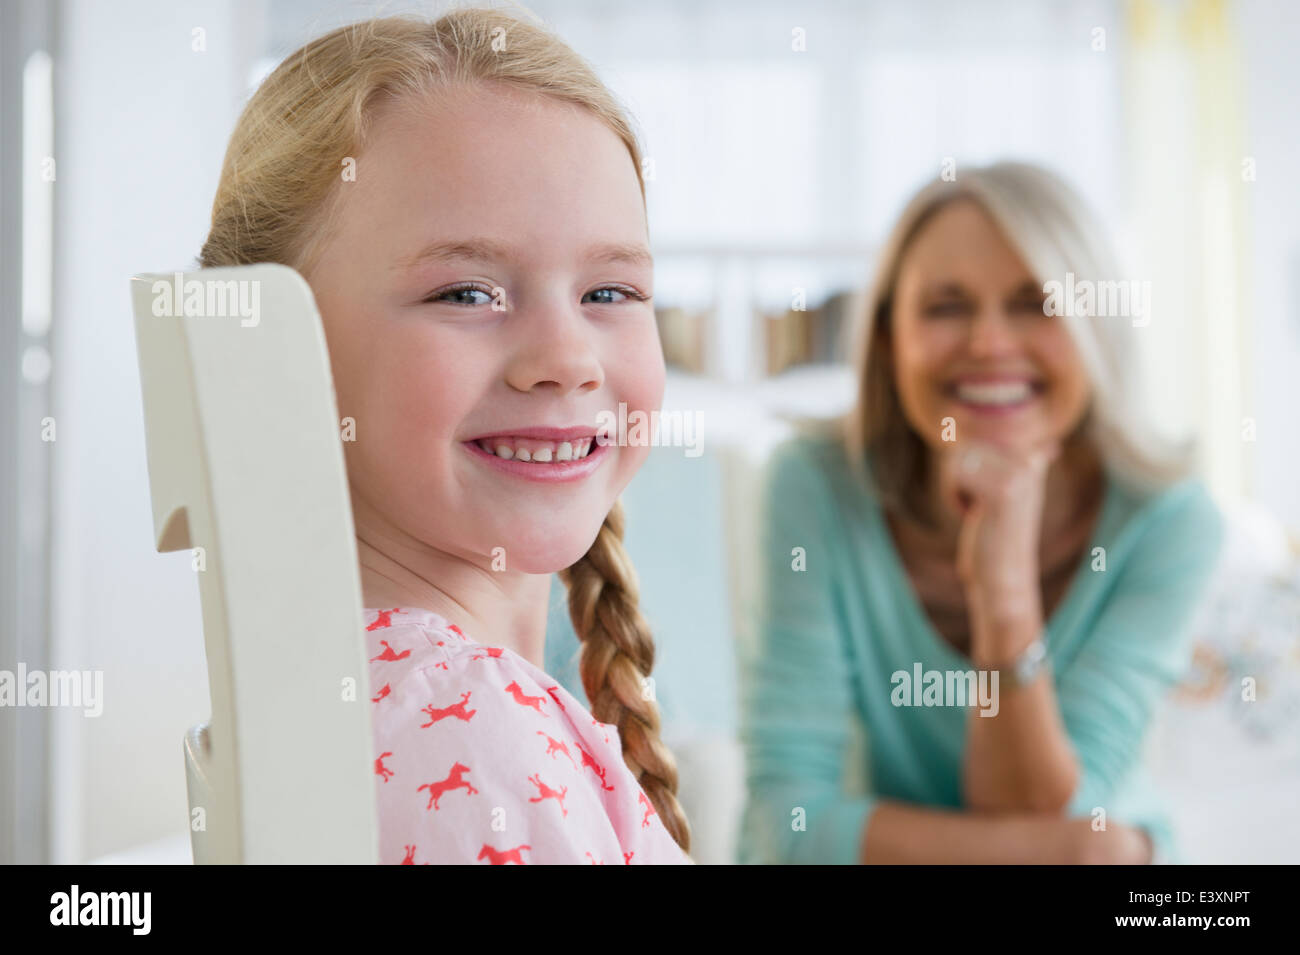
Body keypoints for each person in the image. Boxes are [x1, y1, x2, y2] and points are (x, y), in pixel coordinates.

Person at [198, 8, 691, 864]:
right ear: (275, 345)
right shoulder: (464, 726)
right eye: (466, 293)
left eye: (610, 292)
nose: (566, 359)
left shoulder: (370, 694)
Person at [739, 161, 1223, 864]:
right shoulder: (814, 486)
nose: (990, 342)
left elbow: (1052, 810)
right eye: (945, 306)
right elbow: (778, 828)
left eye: (1036, 302)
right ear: (886, 338)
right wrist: (1074, 854)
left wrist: (1004, 598)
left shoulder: (1169, 519)